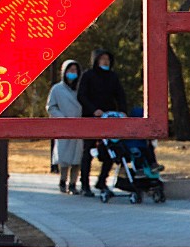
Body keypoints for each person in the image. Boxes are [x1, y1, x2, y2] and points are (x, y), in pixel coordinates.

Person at [76, 48, 129, 197]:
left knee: (111, 149)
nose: (106, 62)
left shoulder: (113, 76)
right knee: (88, 151)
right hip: (91, 118)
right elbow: (81, 96)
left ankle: (101, 181)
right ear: (96, 60)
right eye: (102, 59)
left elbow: (120, 95)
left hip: (109, 118)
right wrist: (93, 110)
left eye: (108, 59)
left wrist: (123, 111)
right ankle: (85, 185)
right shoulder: (88, 75)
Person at [44, 59, 84, 193]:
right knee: (64, 157)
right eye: (70, 70)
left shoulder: (81, 89)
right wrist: (62, 118)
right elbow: (51, 107)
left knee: (77, 158)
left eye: (75, 70)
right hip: (64, 126)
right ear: (64, 72)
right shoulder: (57, 89)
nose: (73, 73)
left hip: (79, 127)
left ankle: (73, 184)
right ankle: (62, 180)